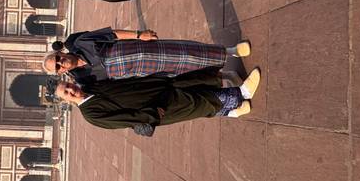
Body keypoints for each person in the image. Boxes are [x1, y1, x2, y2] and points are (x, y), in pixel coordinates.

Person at [53, 68, 261, 133]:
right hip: (159, 107)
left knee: (196, 85)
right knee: (198, 102)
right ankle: (242, 93)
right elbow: (123, 120)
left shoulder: (91, 87)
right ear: (66, 101)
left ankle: (232, 111)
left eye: (68, 86)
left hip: (158, 87)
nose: (71, 90)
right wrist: (150, 115)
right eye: (67, 93)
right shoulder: (91, 114)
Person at [43, 26, 251, 86]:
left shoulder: (81, 43)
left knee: (187, 51)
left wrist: (139, 35)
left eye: (58, 59)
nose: (61, 63)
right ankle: (226, 75)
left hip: (144, 50)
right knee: (186, 74)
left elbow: (112, 34)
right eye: (58, 67)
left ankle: (231, 51)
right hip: (145, 72)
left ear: (60, 52)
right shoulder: (83, 79)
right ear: (61, 72)